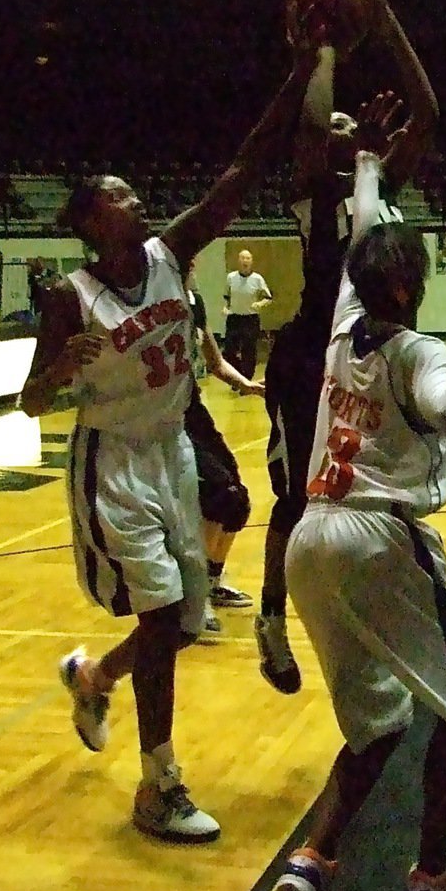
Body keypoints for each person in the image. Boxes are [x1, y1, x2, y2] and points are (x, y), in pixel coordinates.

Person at [20, 50, 315, 843]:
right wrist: (60, 365)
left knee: (183, 624)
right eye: (117, 196)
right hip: (111, 460)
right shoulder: (68, 297)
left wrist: (296, 72)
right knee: (162, 617)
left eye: (131, 190)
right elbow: (29, 403)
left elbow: (243, 167)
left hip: (172, 450)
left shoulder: (170, 254)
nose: (135, 198)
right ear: (89, 222)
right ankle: (159, 786)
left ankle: (93, 678)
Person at [274, 142, 446, 891]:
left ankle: (311, 858)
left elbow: (362, 227)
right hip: (377, 537)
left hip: (310, 536)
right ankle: (429, 878)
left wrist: (365, 166)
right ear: (403, 285)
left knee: (377, 720)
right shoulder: (415, 347)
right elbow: (445, 408)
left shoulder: (341, 321)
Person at [255, 0, 438, 695]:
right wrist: (322, 52)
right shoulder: (306, 184)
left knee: (369, 492)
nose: (335, 127)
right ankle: (271, 615)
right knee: (299, 496)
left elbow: (427, 112)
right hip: (311, 354)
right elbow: (309, 123)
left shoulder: (377, 185)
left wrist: (386, 23)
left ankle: (369, 608)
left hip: (373, 358)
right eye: (329, 126)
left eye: (344, 129)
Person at [184, 268, 263, 628]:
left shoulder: (194, 303)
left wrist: (246, 384)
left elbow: (213, 361)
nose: (191, 270)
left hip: (192, 410)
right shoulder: (156, 306)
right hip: (163, 420)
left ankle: (212, 581)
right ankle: (192, 597)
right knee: (217, 494)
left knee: (237, 499)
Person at [223, 248, 273, 380]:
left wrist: (260, 304)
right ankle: (237, 374)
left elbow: (268, 297)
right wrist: (225, 307)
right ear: (238, 261)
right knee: (229, 351)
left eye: (248, 258)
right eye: (242, 258)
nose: (245, 261)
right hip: (234, 317)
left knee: (249, 351)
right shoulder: (231, 277)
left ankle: (246, 378)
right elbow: (227, 296)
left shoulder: (257, 279)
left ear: (251, 262)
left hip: (250, 318)